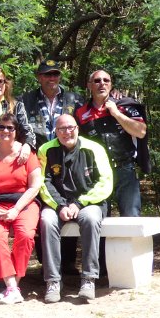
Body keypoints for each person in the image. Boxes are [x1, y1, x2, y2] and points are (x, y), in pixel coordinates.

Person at [19, 59, 85, 275]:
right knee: (42, 209)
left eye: (55, 74)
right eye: (47, 74)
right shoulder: (25, 100)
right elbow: (9, 117)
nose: (52, 78)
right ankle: (46, 263)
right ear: (39, 77)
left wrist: (116, 99)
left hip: (67, 158)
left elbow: (91, 115)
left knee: (67, 202)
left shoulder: (74, 99)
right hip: (38, 160)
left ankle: (68, 262)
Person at [38, 114, 113, 303]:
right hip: (57, 204)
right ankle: (53, 281)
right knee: (46, 220)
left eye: (70, 127)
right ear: (55, 132)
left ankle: (89, 279)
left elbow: (105, 182)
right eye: (61, 129)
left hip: (88, 203)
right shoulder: (46, 150)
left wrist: (79, 203)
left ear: (77, 128)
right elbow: (43, 183)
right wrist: (60, 205)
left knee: (91, 219)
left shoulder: (94, 148)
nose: (66, 132)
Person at [0, 113, 42, 304]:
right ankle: (12, 287)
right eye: (1, 127)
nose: (5, 131)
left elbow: (35, 186)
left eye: (10, 128)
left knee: (26, 235)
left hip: (24, 203)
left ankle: (13, 286)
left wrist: (16, 210)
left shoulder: (27, 154)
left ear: (16, 131)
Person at [75, 69, 147, 217]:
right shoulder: (81, 112)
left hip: (125, 169)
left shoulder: (125, 105)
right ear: (89, 85)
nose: (102, 83)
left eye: (106, 80)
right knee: (99, 218)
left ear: (111, 84)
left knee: (131, 217)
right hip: (97, 173)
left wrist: (116, 113)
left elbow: (141, 131)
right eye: (97, 81)